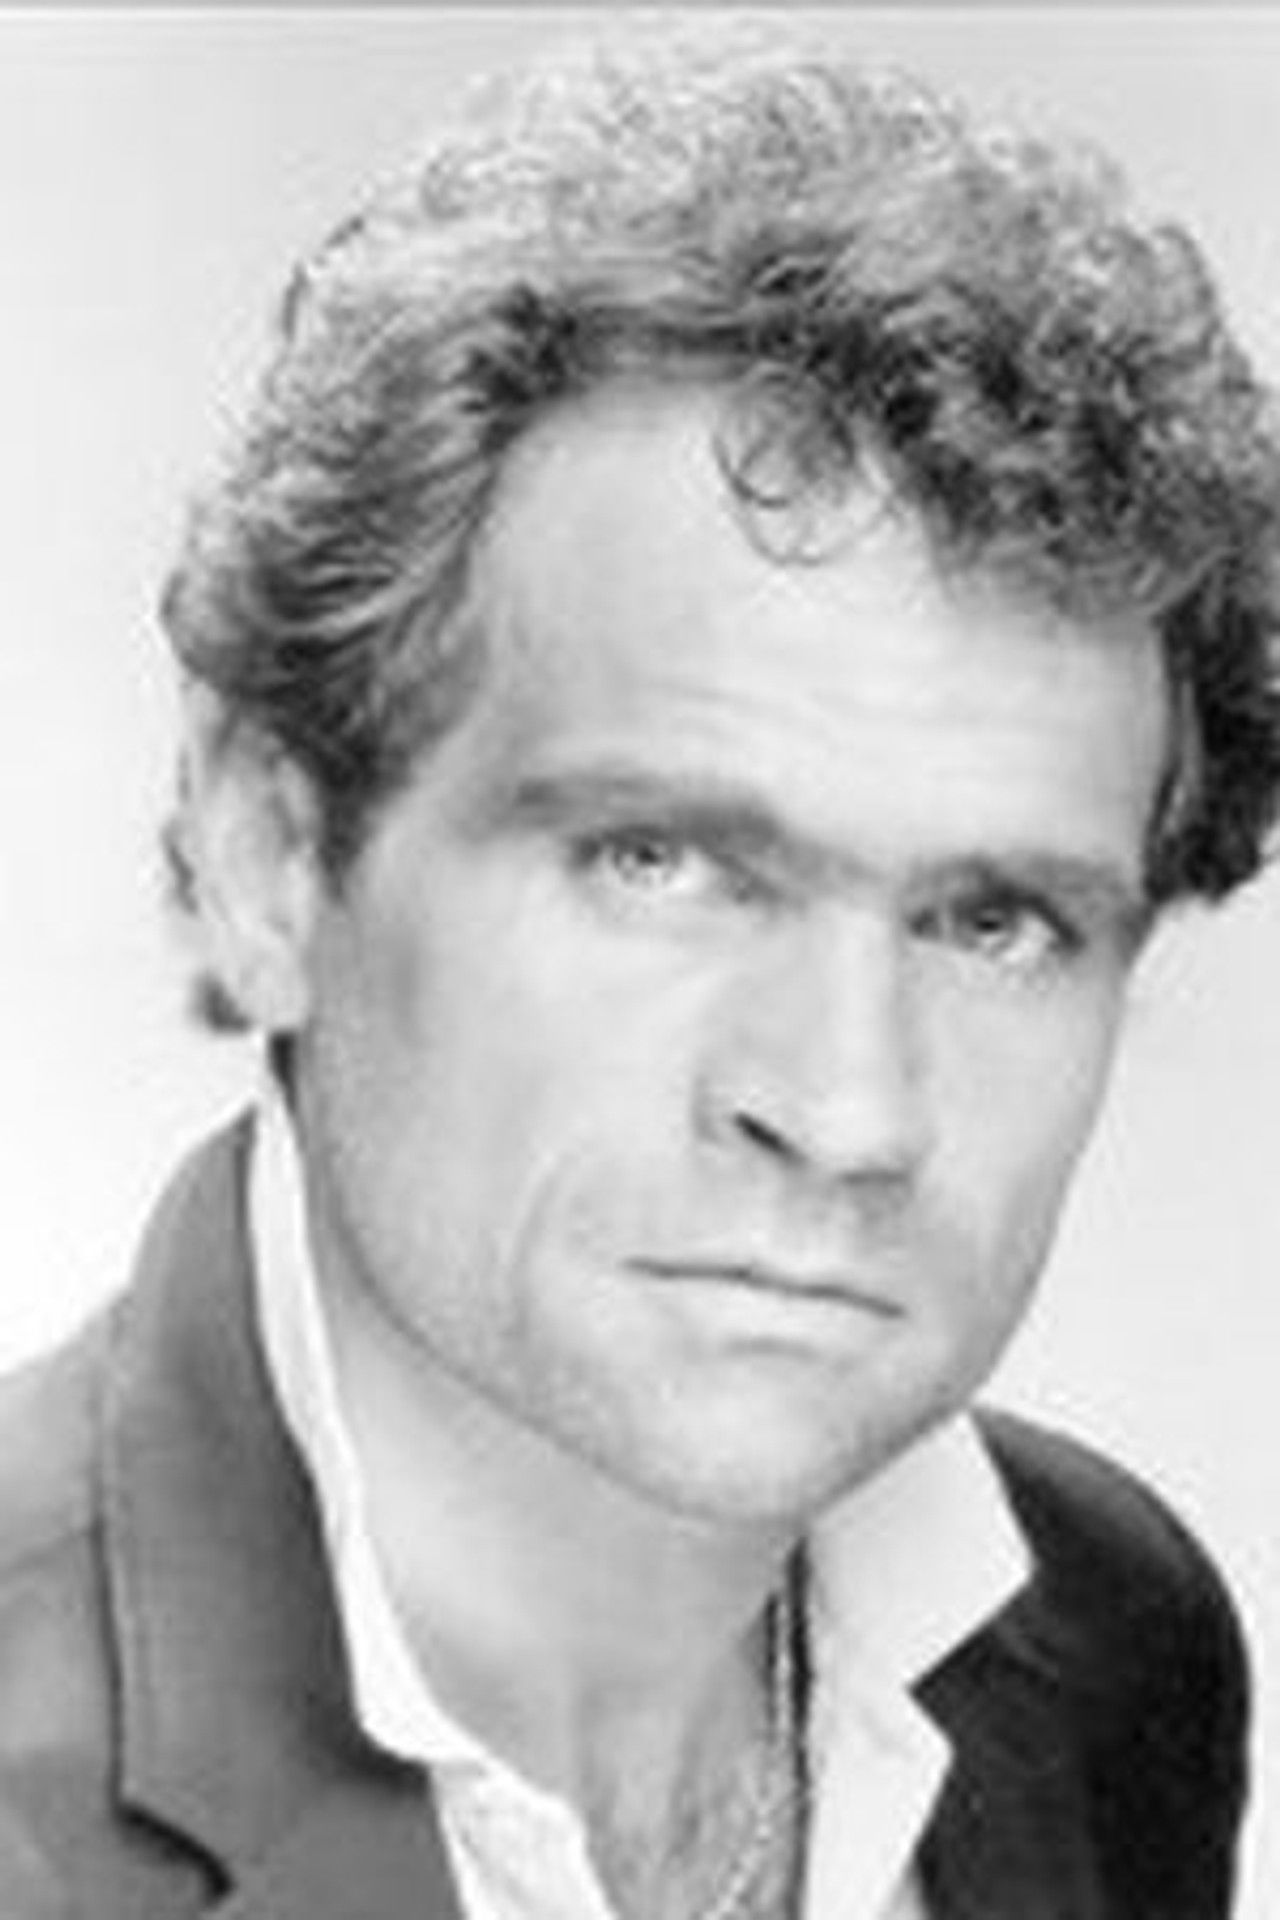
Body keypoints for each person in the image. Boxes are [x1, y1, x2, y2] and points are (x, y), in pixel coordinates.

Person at [1, 21, 1277, 1920]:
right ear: (268, 856)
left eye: (993, 919)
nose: (846, 1108)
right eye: (661, 862)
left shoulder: (1112, 1648)